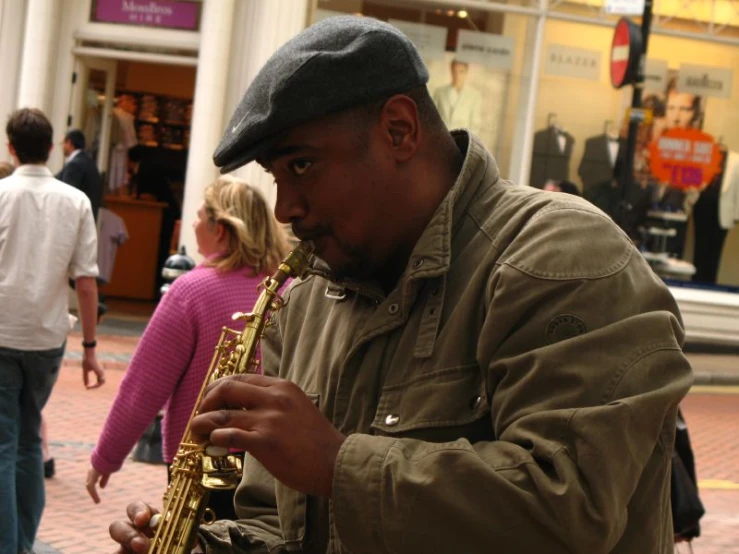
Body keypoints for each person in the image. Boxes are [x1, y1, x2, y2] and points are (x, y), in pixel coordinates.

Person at [110, 16, 693, 554]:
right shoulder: (309, 299)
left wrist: (337, 464)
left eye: (303, 166)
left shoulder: (560, 257)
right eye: (276, 176)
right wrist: (203, 546)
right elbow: (276, 522)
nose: (285, 208)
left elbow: (571, 508)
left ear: (399, 130)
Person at [86, 177, 290, 520]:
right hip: (277, 459)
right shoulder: (291, 289)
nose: (192, 224)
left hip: (201, 457)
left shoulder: (191, 291)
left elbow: (144, 385)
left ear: (221, 229)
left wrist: (106, 457)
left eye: (198, 216)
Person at [0, 108, 104, 554]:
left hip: (2, 332)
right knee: (27, 443)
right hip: (46, 337)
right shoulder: (75, 201)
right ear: (51, 145)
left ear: (10, 147)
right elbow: (85, 280)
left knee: (3, 444)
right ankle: (21, 543)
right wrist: (90, 347)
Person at [57, 128, 103, 221]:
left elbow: (67, 196)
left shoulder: (75, 164)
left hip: (75, 220)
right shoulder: (87, 161)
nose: (62, 147)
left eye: (63, 143)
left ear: (69, 143)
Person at [432, 59, 482, 135]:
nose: (457, 75)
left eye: (461, 71)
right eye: (454, 71)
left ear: (466, 72)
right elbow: (433, 117)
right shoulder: (439, 92)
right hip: (442, 137)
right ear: (451, 71)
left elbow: (475, 124)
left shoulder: (474, 96)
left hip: (462, 139)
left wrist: (468, 141)